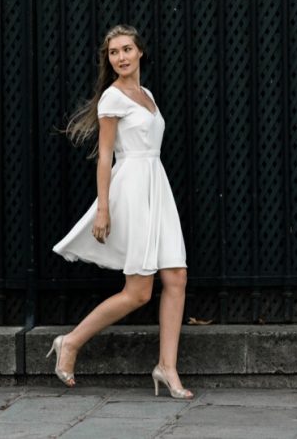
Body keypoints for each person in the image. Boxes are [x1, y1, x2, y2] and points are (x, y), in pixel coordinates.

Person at [50, 24, 192, 399]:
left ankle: (167, 367)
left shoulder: (146, 94)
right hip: (130, 188)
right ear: (108, 59)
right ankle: (71, 343)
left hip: (156, 185)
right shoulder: (112, 98)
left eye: (127, 49)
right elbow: (105, 156)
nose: (121, 57)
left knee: (176, 276)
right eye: (114, 52)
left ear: (140, 52)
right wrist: (103, 208)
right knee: (139, 291)